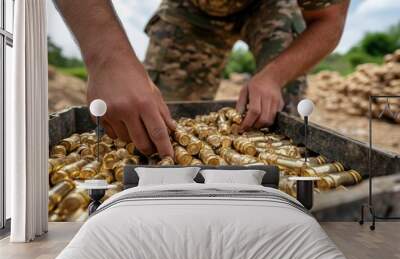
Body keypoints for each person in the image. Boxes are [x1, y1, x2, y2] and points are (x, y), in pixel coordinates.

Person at [55, 0, 349, 158]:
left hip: (272, 5)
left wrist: (273, 77)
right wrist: (108, 59)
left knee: (280, 120)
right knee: (153, 127)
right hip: (191, 9)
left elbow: (329, 19)